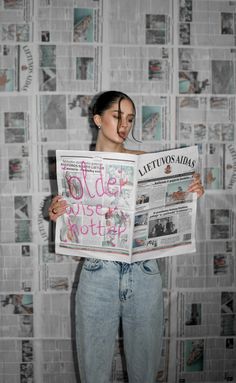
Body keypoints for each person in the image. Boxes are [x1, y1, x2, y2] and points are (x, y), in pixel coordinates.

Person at [48, 90, 204, 383]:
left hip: (145, 274)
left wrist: (192, 189)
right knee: (94, 373)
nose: (124, 125)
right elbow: (68, 215)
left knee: (144, 374)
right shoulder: (77, 169)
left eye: (130, 119)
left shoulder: (146, 162)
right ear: (97, 119)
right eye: (117, 116)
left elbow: (174, 208)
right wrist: (56, 211)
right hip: (98, 274)